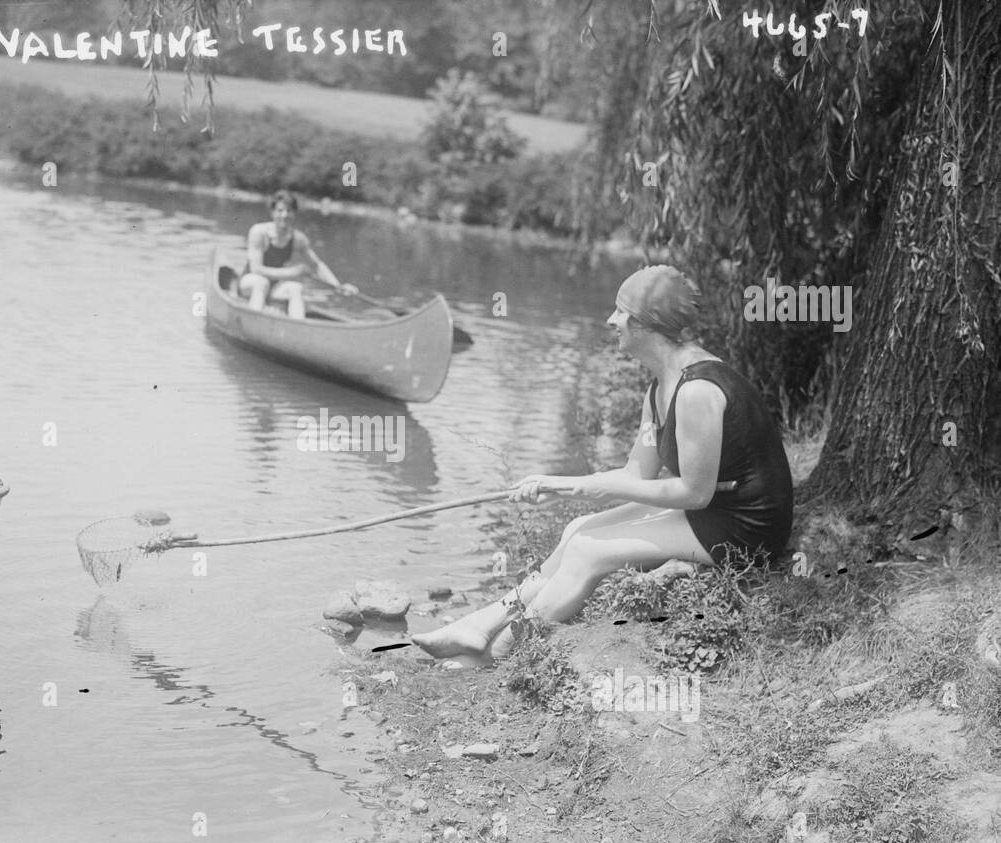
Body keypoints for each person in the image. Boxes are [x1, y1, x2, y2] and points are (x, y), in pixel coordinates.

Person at [412, 264, 794, 666]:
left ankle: (499, 652)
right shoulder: (660, 385)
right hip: (716, 505)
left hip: (745, 524)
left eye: (620, 312)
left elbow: (694, 493)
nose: (612, 321)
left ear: (646, 323)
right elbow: (637, 474)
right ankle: (481, 624)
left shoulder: (696, 392)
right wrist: (557, 484)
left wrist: (598, 487)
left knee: (587, 552)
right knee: (577, 529)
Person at [238, 190, 357, 319]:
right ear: (272, 213)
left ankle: (298, 327)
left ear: (294, 214)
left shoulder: (298, 239)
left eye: (289, 211)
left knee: (296, 287)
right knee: (262, 283)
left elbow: (317, 265)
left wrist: (338, 286)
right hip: (250, 284)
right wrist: (292, 272)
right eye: (280, 210)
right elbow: (257, 269)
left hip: (273, 288)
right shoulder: (258, 232)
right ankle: (254, 322)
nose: (284, 215)